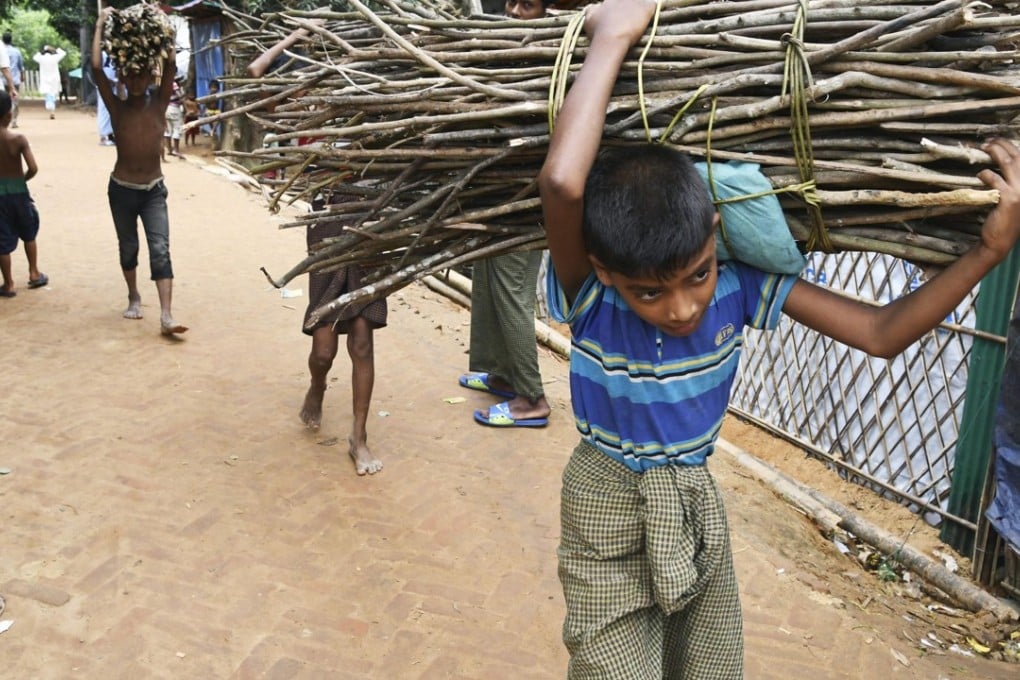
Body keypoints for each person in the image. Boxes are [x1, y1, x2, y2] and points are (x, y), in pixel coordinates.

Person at [536, 0, 1020, 677]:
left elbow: (880, 334)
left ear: (715, 239)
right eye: (650, 291)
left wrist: (987, 255)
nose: (681, 307)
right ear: (610, 274)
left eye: (696, 275)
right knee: (610, 669)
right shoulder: (591, 294)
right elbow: (561, 183)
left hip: (693, 496)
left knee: (710, 667)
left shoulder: (744, 284)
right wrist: (612, 36)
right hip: (603, 498)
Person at [457, 0, 553, 428]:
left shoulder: (551, 58)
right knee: (488, 282)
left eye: (526, 5)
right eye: (511, 1)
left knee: (512, 295)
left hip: (525, 206)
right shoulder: (510, 50)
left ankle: (531, 398)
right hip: (498, 197)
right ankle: (500, 372)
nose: (513, 10)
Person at [91, 7, 186, 336]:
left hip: (153, 191)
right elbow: (95, 69)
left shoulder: (160, 103)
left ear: (151, 76)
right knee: (128, 247)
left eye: (141, 75)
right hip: (121, 190)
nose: (135, 81)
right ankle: (133, 296)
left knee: (160, 248)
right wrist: (102, 23)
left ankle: (166, 315)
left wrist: (165, 30)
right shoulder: (116, 109)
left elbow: (171, 63)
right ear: (122, 76)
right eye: (129, 75)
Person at [0, 90, 44, 298]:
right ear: (9, 115)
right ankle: (34, 272)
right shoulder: (17, 139)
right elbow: (33, 168)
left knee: (2, 242)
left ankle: (8, 284)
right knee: (29, 232)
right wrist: (21, 180)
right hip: (19, 193)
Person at [33, 45, 65, 120]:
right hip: (54, 80)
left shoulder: (41, 58)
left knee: (48, 95)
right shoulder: (55, 57)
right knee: (53, 95)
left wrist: (41, 52)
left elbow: (35, 57)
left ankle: (50, 108)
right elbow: (63, 53)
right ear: (51, 51)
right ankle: (52, 112)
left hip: (45, 80)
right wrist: (55, 49)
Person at [97, 50, 118, 146]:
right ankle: (104, 136)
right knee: (104, 110)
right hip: (104, 84)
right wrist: (106, 80)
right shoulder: (102, 54)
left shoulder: (116, 53)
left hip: (114, 85)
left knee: (112, 111)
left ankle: (111, 135)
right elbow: (97, 69)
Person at [3, 33, 24, 128]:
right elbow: (21, 66)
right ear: (11, 40)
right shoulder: (16, 52)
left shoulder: (1, 50)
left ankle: (3, 120)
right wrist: (22, 76)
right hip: (14, 79)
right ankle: (14, 121)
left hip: (2, 80)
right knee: (14, 100)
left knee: (2, 101)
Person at [163, 77, 184, 159]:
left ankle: (169, 150)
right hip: (174, 108)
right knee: (177, 129)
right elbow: (179, 96)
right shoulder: (173, 84)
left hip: (166, 108)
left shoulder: (163, 83)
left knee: (167, 129)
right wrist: (182, 94)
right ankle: (176, 150)